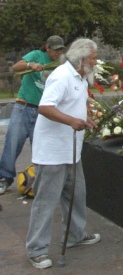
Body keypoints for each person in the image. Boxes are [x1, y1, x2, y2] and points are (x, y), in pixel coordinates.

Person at [25, 37, 100, 270]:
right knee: (45, 202)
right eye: (93, 58)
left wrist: (84, 119)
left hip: (71, 150)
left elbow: (71, 105)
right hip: (52, 152)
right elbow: (45, 107)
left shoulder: (80, 78)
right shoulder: (61, 76)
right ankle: (36, 249)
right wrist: (71, 121)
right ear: (81, 59)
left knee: (76, 195)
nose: (96, 62)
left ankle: (76, 235)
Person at [0, 36, 65, 196]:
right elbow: (16, 67)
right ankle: (4, 178)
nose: (58, 52)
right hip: (24, 106)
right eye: (55, 49)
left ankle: (42, 181)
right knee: (13, 143)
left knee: (42, 148)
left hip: (43, 111)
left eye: (60, 49)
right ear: (47, 48)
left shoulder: (61, 65)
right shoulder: (36, 55)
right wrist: (31, 65)